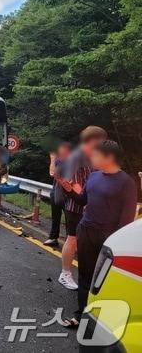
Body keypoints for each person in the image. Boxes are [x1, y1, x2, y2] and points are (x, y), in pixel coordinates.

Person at [59, 140, 137, 328]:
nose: (91, 158)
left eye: (96, 155)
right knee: (85, 275)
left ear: (109, 157)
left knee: (103, 279)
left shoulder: (126, 183)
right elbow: (83, 200)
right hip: (86, 231)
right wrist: (69, 190)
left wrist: (115, 243)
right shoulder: (93, 176)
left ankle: (103, 320)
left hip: (108, 236)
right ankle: (81, 315)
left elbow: (126, 220)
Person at [58, 126, 107, 290]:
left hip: (90, 204)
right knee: (72, 239)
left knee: (86, 241)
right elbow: (74, 183)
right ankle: (65, 274)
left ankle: (88, 275)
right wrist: (85, 201)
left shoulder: (93, 156)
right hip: (76, 204)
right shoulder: (77, 157)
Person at [44, 142, 72, 247]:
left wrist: (52, 158)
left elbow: (53, 172)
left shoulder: (71, 162)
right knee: (55, 215)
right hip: (57, 189)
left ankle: (70, 241)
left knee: (69, 218)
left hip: (68, 192)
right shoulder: (59, 160)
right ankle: (53, 237)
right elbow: (52, 173)